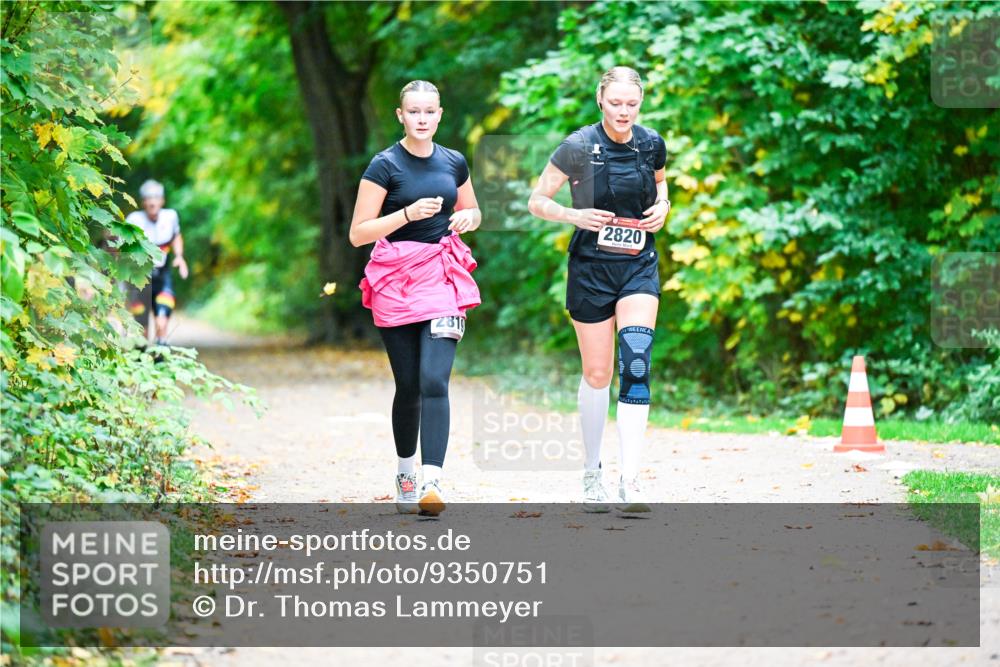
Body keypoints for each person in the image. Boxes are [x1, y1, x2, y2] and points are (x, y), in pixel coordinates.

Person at [528, 66, 670, 513]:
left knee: (636, 361)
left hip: (638, 267)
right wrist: (575, 216)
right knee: (597, 374)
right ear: (600, 100)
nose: (624, 112)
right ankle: (593, 473)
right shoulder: (577, 146)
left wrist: (664, 207)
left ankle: (631, 481)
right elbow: (537, 201)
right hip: (591, 269)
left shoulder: (651, 143)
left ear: (640, 102)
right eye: (615, 103)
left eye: (632, 104)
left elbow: (661, 185)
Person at [350, 80, 482, 516]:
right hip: (396, 279)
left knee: (434, 380)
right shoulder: (384, 165)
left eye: (429, 112)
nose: (422, 119)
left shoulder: (454, 161)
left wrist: (468, 217)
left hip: (442, 276)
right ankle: (406, 472)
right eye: (414, 112)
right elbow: (358, 234)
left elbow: (473, 209)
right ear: (401, 115)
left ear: (439, 115)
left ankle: (432, 481)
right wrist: (405, 214)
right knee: (408, 386)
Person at [125, 179, 189, 345]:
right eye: (149, 199)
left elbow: (176, 236)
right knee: (143, 328)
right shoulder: (134, 220)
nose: (152, 202)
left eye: (156, 198)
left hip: (162, 275)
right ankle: (142, 353)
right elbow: (123, 246)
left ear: (162, 201)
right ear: (143, 202)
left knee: (162, 321)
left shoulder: (170, 217)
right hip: (140, 278)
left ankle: (161, 350)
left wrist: (179, 256)